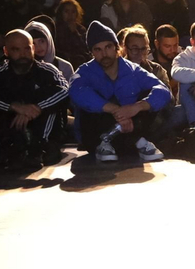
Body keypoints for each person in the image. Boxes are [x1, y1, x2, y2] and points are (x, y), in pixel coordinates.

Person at [67, 21, 169, 163]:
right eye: (98, 49)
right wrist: (115, 110)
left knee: (149, 95)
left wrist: (136, 107)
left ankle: (136, 141)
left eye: (108, 47)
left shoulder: (133, 70)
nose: (104, 54)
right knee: (91, 98)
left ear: (117, 47)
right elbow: (75, 91)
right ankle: (116, 143)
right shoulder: (85, 71)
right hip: (97, 134)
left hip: (131, 129)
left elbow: (163, 90)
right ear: (92, 53)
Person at [0, 29, 69, 168]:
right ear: (6, 51)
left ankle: (41, 147)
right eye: (16, 49)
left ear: (33, 48)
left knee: (49, 95)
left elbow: (65, 91)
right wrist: (15, 107)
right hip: (10, 128)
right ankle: (8, 148)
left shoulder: (48, 71)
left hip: (43, 129)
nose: (23, 54)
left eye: (27, 48)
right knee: (0, 96)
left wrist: (37, 108)